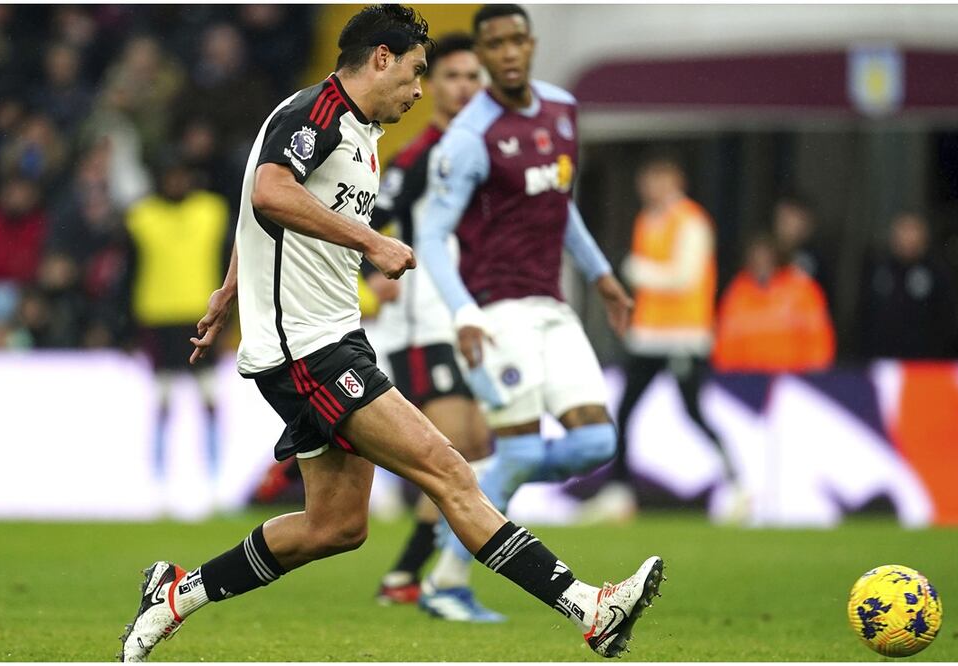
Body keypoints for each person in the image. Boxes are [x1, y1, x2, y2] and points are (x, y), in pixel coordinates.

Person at [119, 6, 662, 662]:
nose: (418, 90)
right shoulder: (313, 114)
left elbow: (262, 208)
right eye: (414, 74)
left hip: (328, 340)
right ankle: (586, 606)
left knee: (336, 526)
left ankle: (177, 595)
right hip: (306, 351)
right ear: (380, 58)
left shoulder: (359, 131)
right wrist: (372, 241)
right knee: (449, 470)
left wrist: (232, 288)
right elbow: (267, 191)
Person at [414, 4, 636, 623]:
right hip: (498, 310)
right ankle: (446, 584)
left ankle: (481, 476)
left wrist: (602, 275)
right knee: (520, 445)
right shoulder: (468, 137)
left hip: (553, 304)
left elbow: (559, 205)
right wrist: (463, 314)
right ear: (481, 56)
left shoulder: (564, 110)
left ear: (531, 45)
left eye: (517, 40)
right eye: (496, 44)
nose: (509, 52)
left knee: (597, 440)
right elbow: (432, 237)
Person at [360, 33, 496, 615]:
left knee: (480, 447)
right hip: (422, 325)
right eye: (453, 77)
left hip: (471, 321)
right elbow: (372, 217)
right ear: (431, 85)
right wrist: (374, 271)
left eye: (473, 78)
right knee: (455, 452)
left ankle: (411, 576)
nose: (463, 87)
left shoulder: (484, 154)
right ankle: (421, 578)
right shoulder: (418, 156)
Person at [583, 158, 739, 524]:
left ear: (675, 180)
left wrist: (638, 271)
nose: (650, 188)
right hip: (651, 336)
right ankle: (619, 492)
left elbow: (684, 277)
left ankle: (736, 485)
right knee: (625, 410)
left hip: (684, 335)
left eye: (658, 179)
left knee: (693, 412)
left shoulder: (692, 222)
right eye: (647, 180)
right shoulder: (647, 220)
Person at [121, 153, 230, 504]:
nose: (176, 183)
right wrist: (123, 325)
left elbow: (230, 263)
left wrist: (231, 319)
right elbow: (127, 273)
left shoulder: (212, 213)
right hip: (158, 320)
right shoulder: (141, 218)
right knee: (163, 401)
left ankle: (215, 480)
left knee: (210, 398)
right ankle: (158, 483)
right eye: (170, 176)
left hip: (201, 318)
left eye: (181, 175)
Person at [712, 234, 835, 372]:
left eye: (766, 258)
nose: (761, 263)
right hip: (748, 381)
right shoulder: (736, 294)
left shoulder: (801, 290)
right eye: (756, 259)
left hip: (794, 380)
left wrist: (814, 375)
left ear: (777, 258)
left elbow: (818, 337)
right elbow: (725, 344)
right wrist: (730, 377)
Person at [858, 212, 955, 360]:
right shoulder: (879, 270)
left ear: (924, 237)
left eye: (913, 230)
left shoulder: (936, 273)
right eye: (903, 230)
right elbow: (864, 316)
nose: (908, 237)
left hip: (924, 363)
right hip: (883, 361)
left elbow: (946, 320)